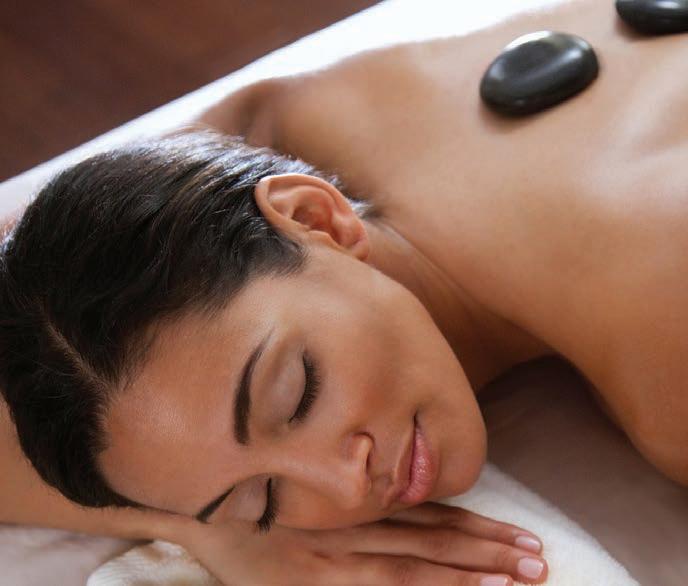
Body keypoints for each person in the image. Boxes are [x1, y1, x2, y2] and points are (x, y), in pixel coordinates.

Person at [1, 0, 686, 584]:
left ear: (317, 217)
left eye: (297, 393)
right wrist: (205, 527)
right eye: (264, 499)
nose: (346, 483)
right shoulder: (291, 134)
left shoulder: (666, 356)